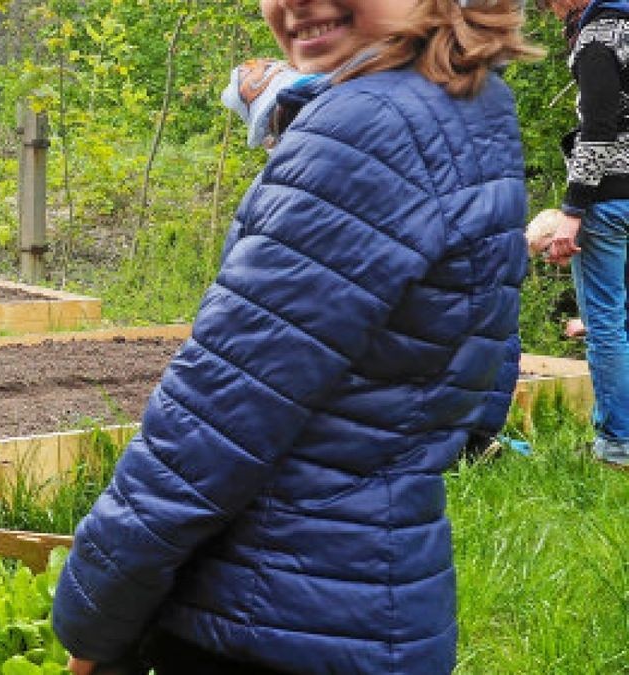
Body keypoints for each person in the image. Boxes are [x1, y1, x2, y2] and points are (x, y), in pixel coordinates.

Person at [52, 1, 538, 673]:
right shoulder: (469, 103)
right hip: (372, 600)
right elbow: (482, 384)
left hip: (266, 618)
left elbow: (214, 420)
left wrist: (93, 617)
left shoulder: (367, 128)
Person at [540, 0, 629, 465]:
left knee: (605, 326)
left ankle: (617, 443)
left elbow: (598, 128)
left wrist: (572, 210)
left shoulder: (600, 38)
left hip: (609, 197)